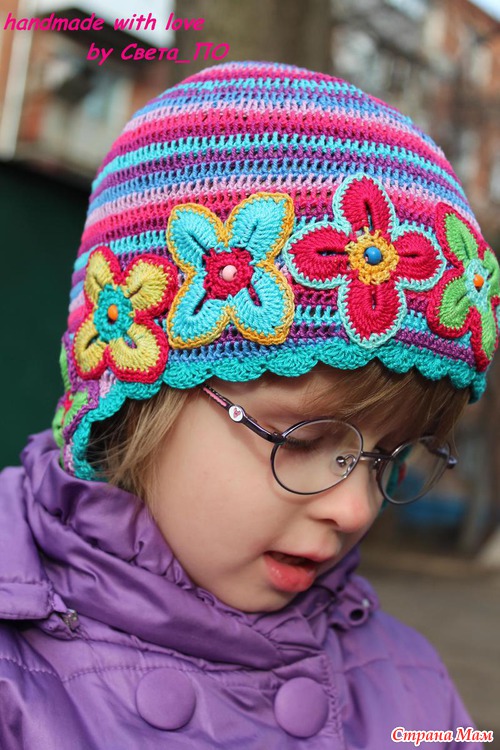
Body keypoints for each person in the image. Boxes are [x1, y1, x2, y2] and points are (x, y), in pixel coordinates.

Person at [0, 61, 498, 749]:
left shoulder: (415, 693)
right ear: (135, 400)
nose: (355, 510)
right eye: (301, 439)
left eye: (390, 456)